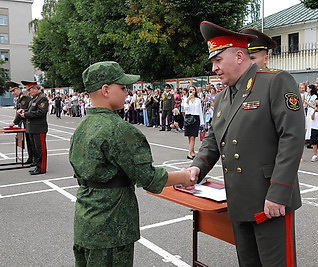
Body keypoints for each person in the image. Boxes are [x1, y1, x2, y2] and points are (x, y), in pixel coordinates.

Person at [187, 21, 304, 266]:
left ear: (239, 55)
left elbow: (291, 137)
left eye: (218, 60)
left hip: (270, 201)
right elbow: (212, 141)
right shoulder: (222, 97)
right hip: (239, 200)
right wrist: (196, 168)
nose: (214, 68)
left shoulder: (274, 82)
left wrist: (279, 192)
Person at [70, 61, 195, 267]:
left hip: (86, 219)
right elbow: (148, 178)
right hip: (112, 224)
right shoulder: (119, 129)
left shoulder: (83, 126)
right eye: (123, 87)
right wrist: (185, 176)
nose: (127, 92)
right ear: (106, 90)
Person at [18, 81, 49, 175]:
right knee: (35, 149)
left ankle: (41, 168)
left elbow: (41, 112)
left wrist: (26, 114)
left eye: (30, 89)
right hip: (32, 127)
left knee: (40, 149)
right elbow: (31, 110)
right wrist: (24, 110)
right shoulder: (34, 99)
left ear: (36, 89)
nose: (29, 92)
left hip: (39, 127)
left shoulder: (42, 99)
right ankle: (37, 165)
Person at [6, 81, 34, 164]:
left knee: (31, 142)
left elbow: (21, 112)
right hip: (26, 122)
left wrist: (14, 123)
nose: (12, 93)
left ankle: (33, 159)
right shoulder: (20, 98)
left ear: (18, 89)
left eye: (13, 91)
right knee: (29, 141)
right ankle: (31, 158)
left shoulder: (24, 97)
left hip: (30, 122)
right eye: (11, 92)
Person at [183, 85, 204, 159]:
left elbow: (200, 111)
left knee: (193, 137)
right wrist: (188, 100)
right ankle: (192, 151)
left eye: (193, 90)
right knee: (189, 136)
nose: (192, 91)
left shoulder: (198, 100)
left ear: (195, 91)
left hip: (196, 117)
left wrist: (202, 122)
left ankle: (189, 153)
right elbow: (186, 108)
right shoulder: (185, 99)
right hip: (188, 117)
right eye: (190, 90)